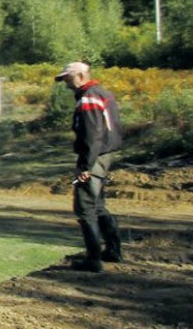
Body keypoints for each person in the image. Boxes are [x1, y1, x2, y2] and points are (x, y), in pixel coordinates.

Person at [55, 62, 124, 272]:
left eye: (69, 78)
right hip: (105, 154)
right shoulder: (102, 93)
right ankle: (113, 251)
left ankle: (93, 260)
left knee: (84, 207)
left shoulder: (89, 97)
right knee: (98, 205)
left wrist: (85, 166)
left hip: (94, 157)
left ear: (82, 75)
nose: (66, 83)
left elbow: (92, 135)